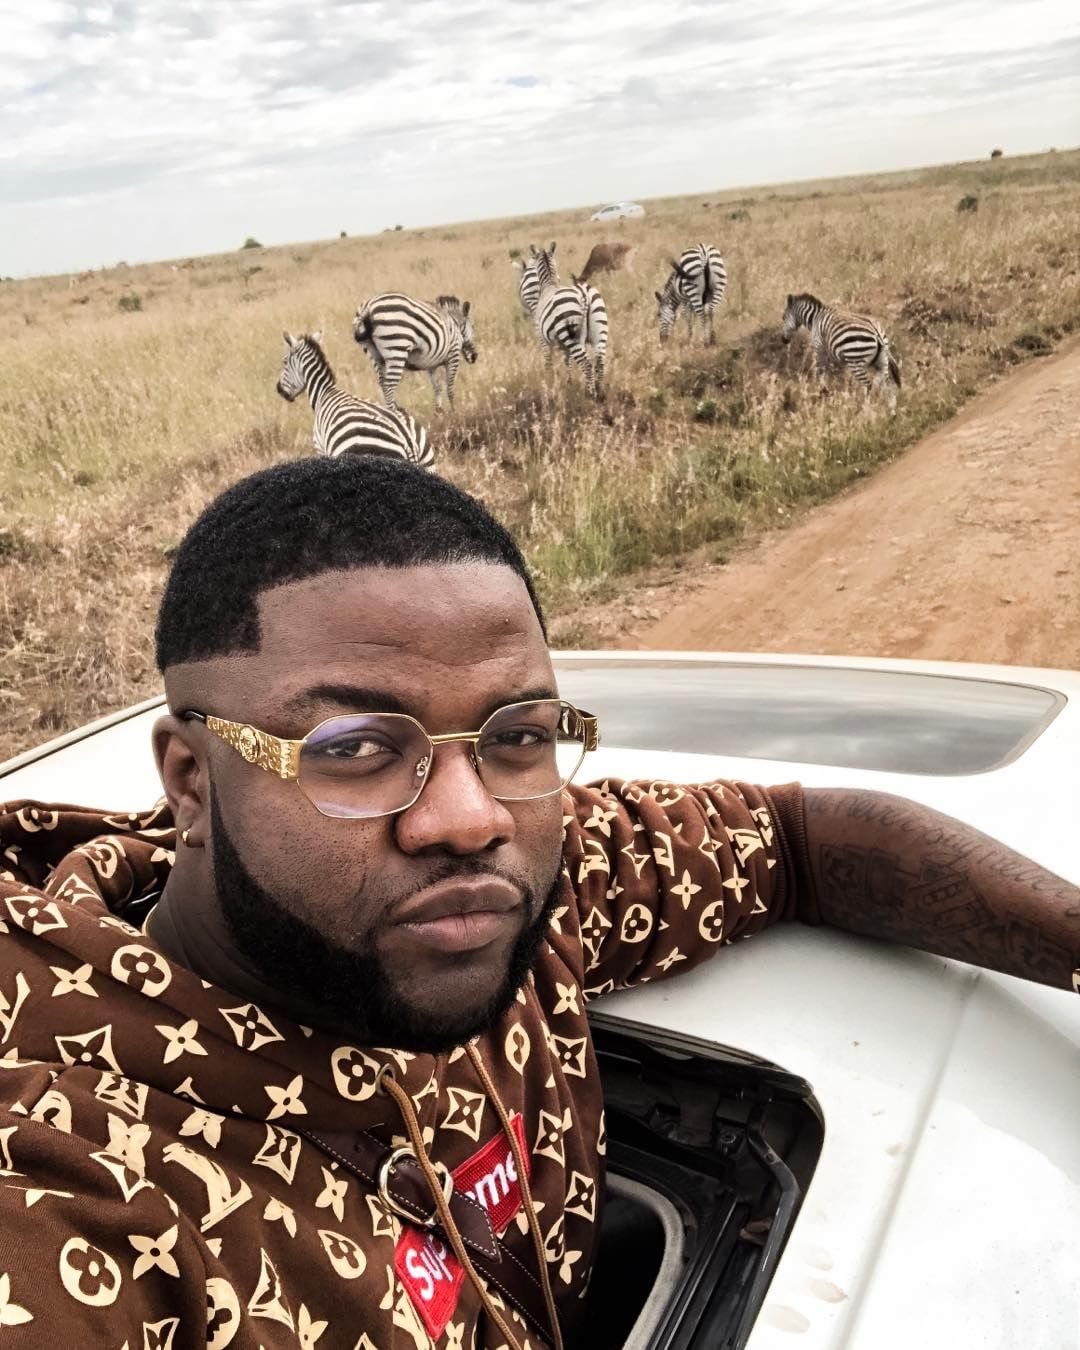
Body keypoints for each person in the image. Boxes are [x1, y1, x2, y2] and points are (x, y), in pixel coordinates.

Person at [0, 457, 1075, 1349]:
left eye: (516, 735)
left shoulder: (513, 901)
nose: (468, 818)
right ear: (191, 781)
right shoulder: (71, 1191)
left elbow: (797, 841)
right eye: (356, 749)